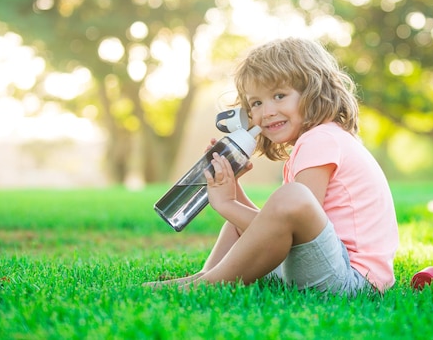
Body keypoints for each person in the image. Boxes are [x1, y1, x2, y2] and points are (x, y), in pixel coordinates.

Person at [145, 37, 399, 295]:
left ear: (313, 92)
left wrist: (226, 204)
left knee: (291, 197)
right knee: (241, 221)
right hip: (327, 263)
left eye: (279, 96)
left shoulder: (320, 140)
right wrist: (232, 187)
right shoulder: (315, 142)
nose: (266, 112)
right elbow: (277, 227)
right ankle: (205, 276)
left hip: (352, 281)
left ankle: (205, 286)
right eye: (256, 103)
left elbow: (289, 219)